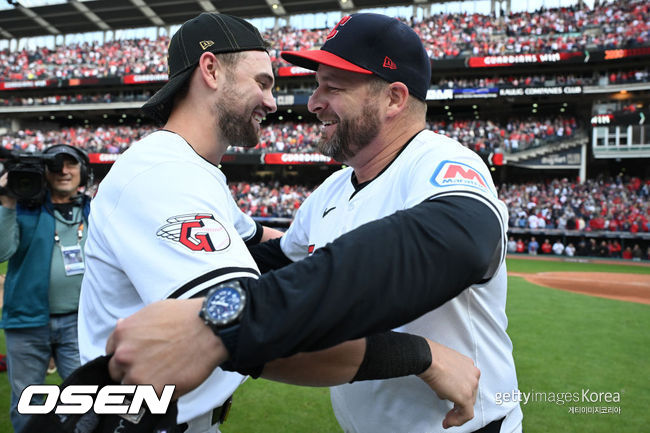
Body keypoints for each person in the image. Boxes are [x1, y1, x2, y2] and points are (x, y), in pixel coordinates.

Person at [106, 12, 520, 433]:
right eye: (316, 84)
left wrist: (230, 320)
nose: (313, 101)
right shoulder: (333, 190)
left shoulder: (440, 161)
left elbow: (458, 241)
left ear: (394, 99)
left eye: (332, 87)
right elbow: (274, 263)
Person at [0, 144, 91, 432]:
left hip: (79, 322)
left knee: (87, 402)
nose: (63, 171)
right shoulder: (23, 209)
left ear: (83, 171)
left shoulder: (95, 211)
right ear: (44, 173)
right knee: (27, 404)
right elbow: (2, 252)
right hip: (27, 322)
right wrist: (6, 201)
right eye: (55, 165)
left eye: (71, 164)